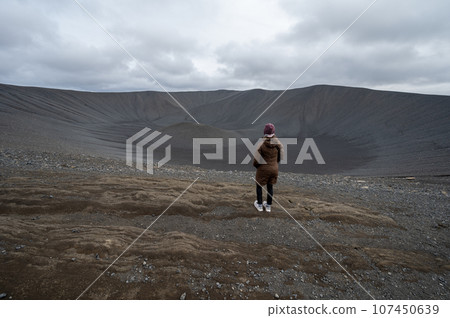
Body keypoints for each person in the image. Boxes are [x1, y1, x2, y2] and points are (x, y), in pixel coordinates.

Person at [253, 123, 283, 212]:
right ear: (273, 132)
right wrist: (274, 164)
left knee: (259, 185)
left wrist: (257, 166)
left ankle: (259, 205)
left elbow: (256, 159)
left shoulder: (261, 143)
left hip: (263, 169)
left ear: (265, 132)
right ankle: (268, 206)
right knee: (270, 186)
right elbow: (280, 157)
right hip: (274, 168)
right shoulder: (278, 144)